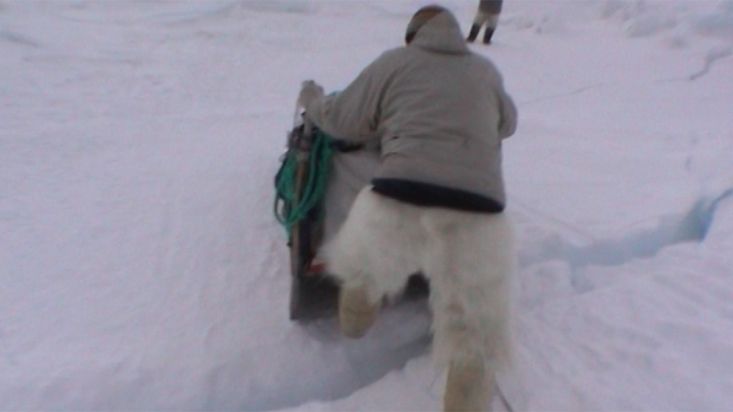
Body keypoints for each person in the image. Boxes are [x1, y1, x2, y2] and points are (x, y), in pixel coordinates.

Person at [298, 4, 517, 411]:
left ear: (413, 35)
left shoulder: (396, 63)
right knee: (473, 327)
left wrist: (312, 100)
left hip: (402, 191)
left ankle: (358, 316)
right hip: (480, 208)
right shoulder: (486, 72)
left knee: (364, 262)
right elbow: (508, 124)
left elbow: (344, 119)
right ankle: (467, 397)